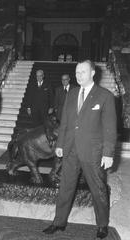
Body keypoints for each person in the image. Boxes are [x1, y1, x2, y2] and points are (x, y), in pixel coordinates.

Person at [43, 60, 117, 239]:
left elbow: (110, 127)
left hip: (93, 152)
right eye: (77, 72)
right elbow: (66, 122)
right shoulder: (72, 93)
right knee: (65, 187)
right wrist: (60, 144)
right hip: (71, 149)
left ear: (93, 73)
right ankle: (59, 222)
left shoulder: (105, 96)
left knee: (98, 189)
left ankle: (102, 225)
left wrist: (108, 153)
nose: (79, 75)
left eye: (83, 72)